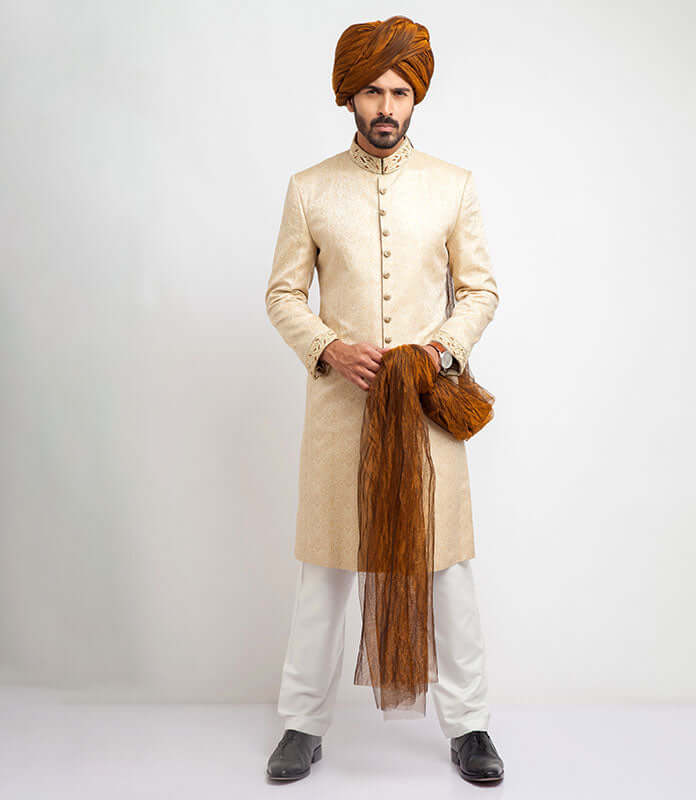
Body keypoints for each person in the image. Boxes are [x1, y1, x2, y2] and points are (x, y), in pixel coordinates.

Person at [264, 15, 504, 784]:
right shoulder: (310, 189)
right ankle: (302, 722)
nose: (387, 106)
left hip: (428, 411)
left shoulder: (453, 185)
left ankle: (469, 726)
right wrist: (328, 346)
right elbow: (281, 293)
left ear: (416, 96)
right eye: (373, 90)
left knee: (446, 568)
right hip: (343, 415)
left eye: (400, 91)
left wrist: (441, 349)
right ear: (349, 96)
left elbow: (479, 289)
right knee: (327, 569)